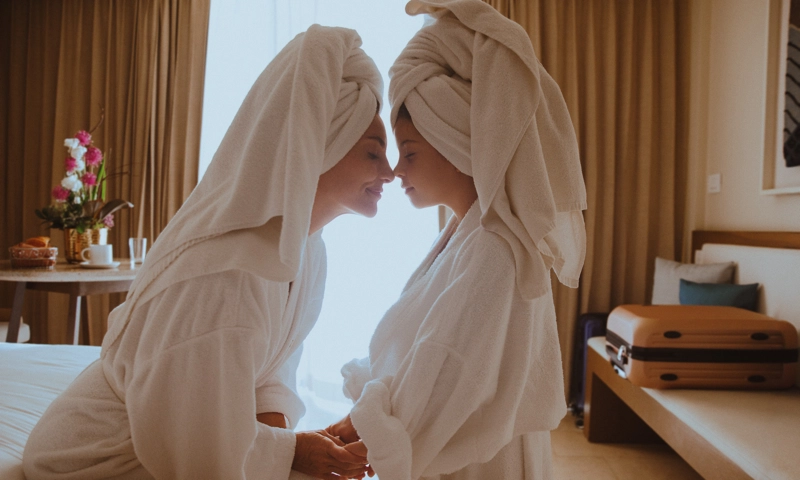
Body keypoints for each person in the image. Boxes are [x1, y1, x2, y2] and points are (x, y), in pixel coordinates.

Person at [23, 25, 393, 480]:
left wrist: (295, 450)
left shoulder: (306, 250)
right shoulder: (225, 275)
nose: (390, 171)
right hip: (94, 462)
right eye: (374, 154)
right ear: (320, 148)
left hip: (182, 446)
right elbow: (197, 446)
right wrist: (293, 451)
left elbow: (269, 374)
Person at [326, 1, 588, 478]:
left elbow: (452, 373)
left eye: (409, 152)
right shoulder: (467, 233)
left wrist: (368, 426)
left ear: (457, 145)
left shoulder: (495, 248)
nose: (396, 170)